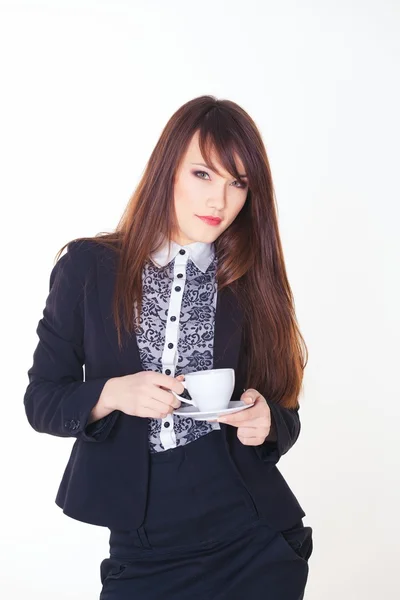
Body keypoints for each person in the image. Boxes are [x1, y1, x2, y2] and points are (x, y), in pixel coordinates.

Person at [24, 95, 313, 599]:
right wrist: (112, 393)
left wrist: (266, 422)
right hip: (144, 548)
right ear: (167, 170)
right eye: (203, 175)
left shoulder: (251, 283)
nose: (219, 202)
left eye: (237, 184)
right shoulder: (88, 267)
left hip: (252, 539)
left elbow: (284, 412)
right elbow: (42, 400)